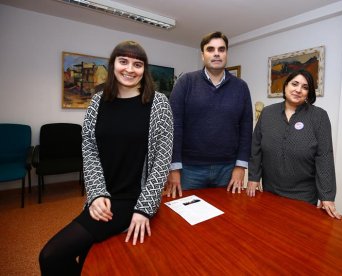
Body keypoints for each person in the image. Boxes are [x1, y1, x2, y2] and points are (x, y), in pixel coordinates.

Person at [39, 41, 174, 275]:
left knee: (52, 255)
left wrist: (144, 209)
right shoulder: (97, 101)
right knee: (76, 260)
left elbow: (163, 160)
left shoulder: (159, 103)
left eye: (137, 64)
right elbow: (89, 149)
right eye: (123, 61)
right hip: (103, 197)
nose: (130, 69)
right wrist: (96, 194)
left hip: (134, 199)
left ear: (145, 69)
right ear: (113, 65)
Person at [165, 31, 253, 198]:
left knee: (227, 219)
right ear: (202, 54)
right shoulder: (186, 83)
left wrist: (240, 167)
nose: (216, 53)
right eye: (210, 49)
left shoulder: (241, 87)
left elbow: (246, 128)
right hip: (190, 170)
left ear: (226, 53)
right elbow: (174, 126)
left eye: (221, 49)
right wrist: (174, 168)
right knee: (186, 220)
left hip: (228, 169)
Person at [246, 70, 341, 219]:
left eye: (305, 87)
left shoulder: (319, 116)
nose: (298, 90)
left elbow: (324, 157)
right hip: (270, 191)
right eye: (294, 84)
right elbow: (255, 148)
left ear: (309, 93)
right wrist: (253, 177)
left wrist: (327, 195)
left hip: (303, 195)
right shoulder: (267, 113)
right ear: (286, 86)